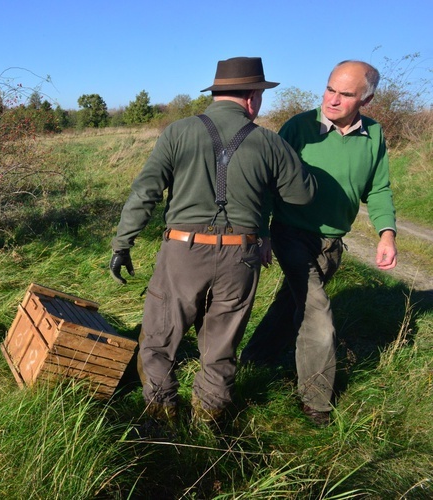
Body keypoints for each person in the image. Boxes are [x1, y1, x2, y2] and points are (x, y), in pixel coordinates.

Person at [109, 57, 316, 433]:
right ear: (253, 97)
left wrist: (123, 242)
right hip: (242, 255)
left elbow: (146, 192)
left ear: (216, 92)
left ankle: (163, 419)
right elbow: (302, 195)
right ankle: (208, 422)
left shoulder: (178, 132)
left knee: (158, 340)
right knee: (220, 347)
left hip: (182, 254)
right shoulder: (270, 142)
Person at [239, 60, 398, 427]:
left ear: (367, 99)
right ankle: (316, 402)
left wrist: (386, 233)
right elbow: (266, 182)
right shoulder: (299, 127)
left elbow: (378, 189)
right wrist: (263, 231)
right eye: (330, 89)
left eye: (345, 94)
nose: (333, 100)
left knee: (289, 305)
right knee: (317, 315)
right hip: (292, 233)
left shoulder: (373, 135)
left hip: (332, 242)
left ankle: (255, 359)